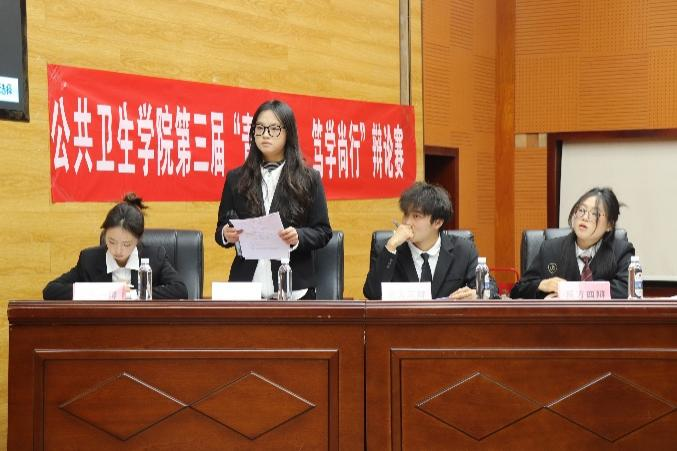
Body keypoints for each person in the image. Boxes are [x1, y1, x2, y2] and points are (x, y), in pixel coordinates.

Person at [215, 99, 332, 300]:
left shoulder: (308, 178)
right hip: (247, 289)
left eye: (274, 129)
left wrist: (298, 236)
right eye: (260, 128)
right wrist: (226, 234)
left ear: (288, 133)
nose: (266, 134)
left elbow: (323, 231)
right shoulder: (236, 178)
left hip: (294, 289)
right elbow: (220, 230)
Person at [363, 181, 495, 300]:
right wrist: (391, 246)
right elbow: (372, 294)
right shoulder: (389, 249)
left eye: (416, 216)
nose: (407, 222)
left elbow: (492, 288)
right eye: (406, 215)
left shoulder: (463, 250)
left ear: (437, 222)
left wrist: (478, 294)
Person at [43, 193, 188, 300]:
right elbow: (50, 290)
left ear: (138, 240)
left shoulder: (154, 256)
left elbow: (180, 290)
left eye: (126, 244)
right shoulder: (89, 259)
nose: (118, 250)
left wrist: (134, 295)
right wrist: (101, 292)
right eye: (112, 242)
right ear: (104, 234)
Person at [510, 187, 635, 299]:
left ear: (609, 225)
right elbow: (518, 290)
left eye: (595, 214)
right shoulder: (550, 249)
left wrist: (570, 291)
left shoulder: (621, 251)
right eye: (581, 210)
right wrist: (542, 285)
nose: (585, 217)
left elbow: (627, 290)